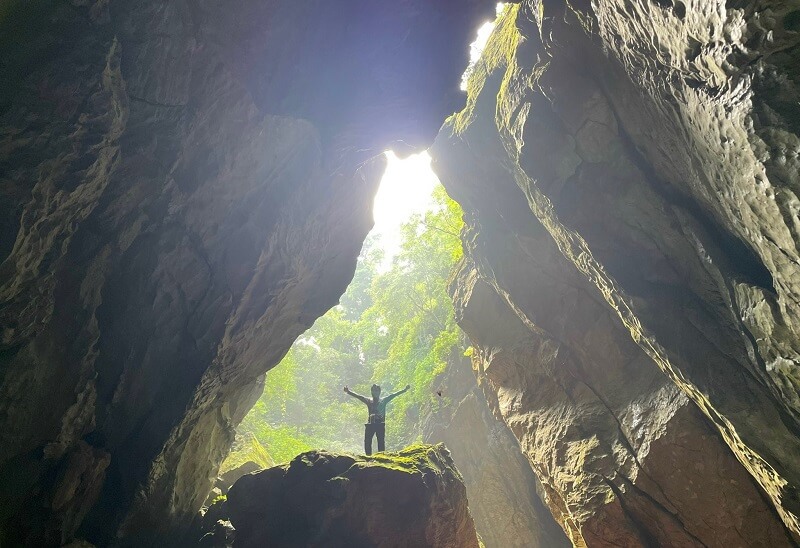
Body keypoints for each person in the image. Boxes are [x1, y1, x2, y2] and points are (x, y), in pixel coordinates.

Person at [343, 383, 410, 455]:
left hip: (380, 424)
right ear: (371, 392)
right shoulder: (368, 400)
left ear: (379, 392)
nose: (375, 393)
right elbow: (359, 397)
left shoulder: (383, 400)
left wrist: (404, 390)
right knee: (367, 442)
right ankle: (368, 457)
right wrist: (348, 392)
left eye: (377, 391)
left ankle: (381, 456)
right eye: (373, 391)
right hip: (370, 424)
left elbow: (394, 395)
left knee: (381, 441)